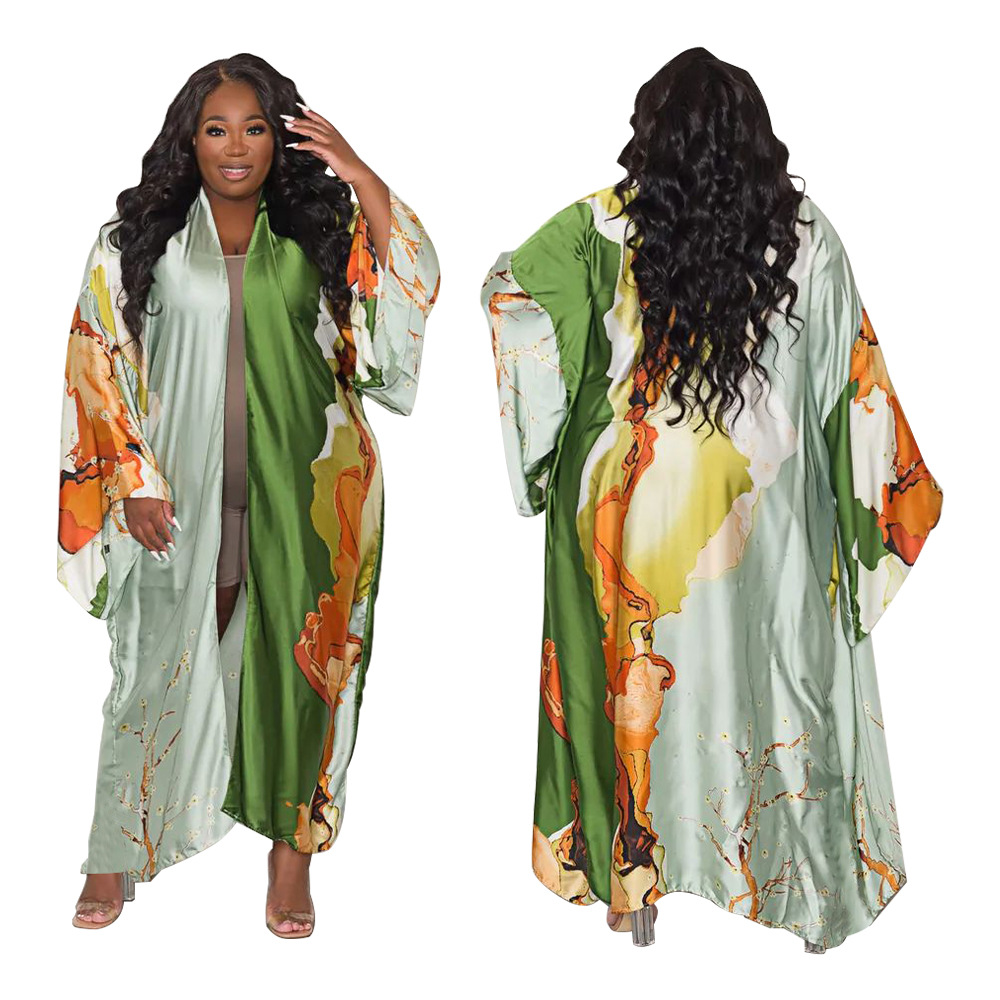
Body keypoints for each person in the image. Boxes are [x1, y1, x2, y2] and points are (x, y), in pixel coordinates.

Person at [480, 47, 943, 952]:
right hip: (760, 513)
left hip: (625, 504)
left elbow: (511, 297)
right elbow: (849, 378)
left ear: (648, 136)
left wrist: (555, 446)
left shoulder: (602, 225)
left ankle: (633, 888)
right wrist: (877, 505)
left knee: (630, 688)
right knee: (781, 678)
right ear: (756, 136)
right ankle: (807, 888)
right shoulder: (805, 234)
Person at [57, 53, 440, 937]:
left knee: (298, 673)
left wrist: (358, 171)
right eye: (217, 129)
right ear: (189, 139)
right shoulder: (136, 242)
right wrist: (131, 482)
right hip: (173, 494)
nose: (236, 147)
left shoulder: (319, 232)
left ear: (281, 139)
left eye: (256, 128)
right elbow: (95, 359)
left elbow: (411, 276)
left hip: (311, 490)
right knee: (150, 666)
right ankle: (117, 848)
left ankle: (290, 857)